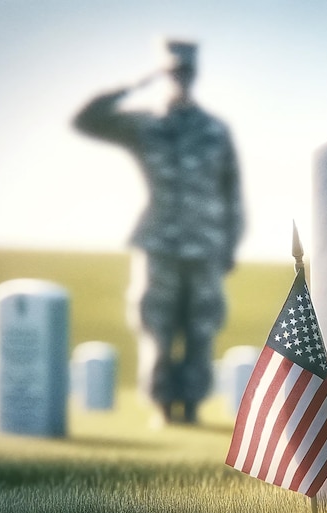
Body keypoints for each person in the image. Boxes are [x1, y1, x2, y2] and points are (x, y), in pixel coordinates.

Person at [73, 40, 244, 424]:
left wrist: (230, 245)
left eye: (185, 72)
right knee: (157, 328)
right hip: (158, 242)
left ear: (195, 75)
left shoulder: (215, 130)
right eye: (173, 72)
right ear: (163, 75)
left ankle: (193, 407)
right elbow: (87, 121)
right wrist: (133, 85)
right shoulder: (147, 124)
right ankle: (163, 407)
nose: (180, 79)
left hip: (205, 245)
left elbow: (232, 192)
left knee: (202, 330)